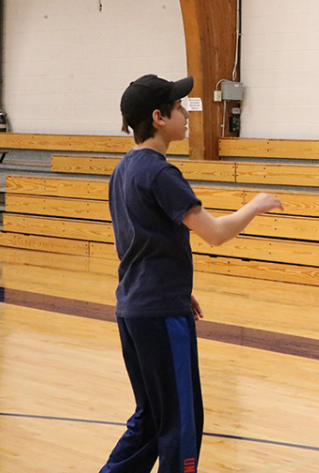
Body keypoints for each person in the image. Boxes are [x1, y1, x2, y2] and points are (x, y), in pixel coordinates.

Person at [101, 74, 283, 473]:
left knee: (152, 417)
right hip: (160, 313)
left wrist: (176, 289)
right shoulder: (160, 173)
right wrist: (255, 205)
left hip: (134, 308)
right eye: (180, 107)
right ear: (158, 117)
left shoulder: (123, 170)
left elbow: (138, 243)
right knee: (181, 422)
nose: (186, 114)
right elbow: (215, 233)